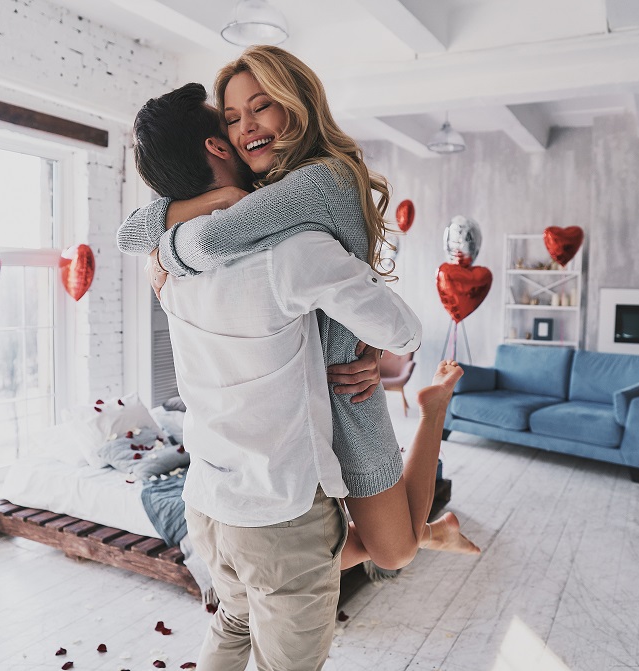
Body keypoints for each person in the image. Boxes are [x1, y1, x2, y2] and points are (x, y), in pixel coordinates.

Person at [120, 81, 465, 671]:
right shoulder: (291, 252)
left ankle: (431, 529)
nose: (244, 129)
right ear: (219, 146)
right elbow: (406, 331)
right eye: (231, 121)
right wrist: (366, 336)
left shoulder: (166, 266)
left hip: (206, 503)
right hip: (278, 508)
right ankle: (432, 514)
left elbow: (146, 233)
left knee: (231, 626)